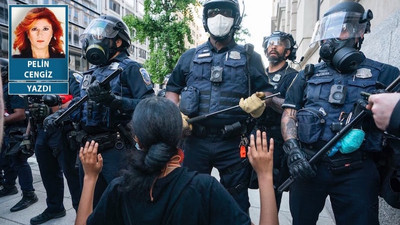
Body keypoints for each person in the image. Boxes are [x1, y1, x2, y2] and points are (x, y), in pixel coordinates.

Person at [280, 2, 400, 225]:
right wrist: (293, 150)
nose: (330, 38)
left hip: (357, 171)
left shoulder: (387, 74)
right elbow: (289, 113)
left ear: (360, 31)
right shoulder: (307, 74)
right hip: (309, 166)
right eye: (327, 30)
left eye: (341, 28)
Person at [74, 97, 278, 225]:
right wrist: (265, 175)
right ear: (180, 136)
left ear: (136, 138)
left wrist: (90, 178)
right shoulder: (204, 188)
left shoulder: (120, 188)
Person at [166, 0, 275, 213]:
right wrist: (175, 112)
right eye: (213, 12)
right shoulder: (189, 57)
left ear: (236, 20)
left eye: (225, 12)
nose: (219, 17)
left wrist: (261, 100)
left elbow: (269, 92)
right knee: (189, 196)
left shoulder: (250, 57)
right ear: (205, 20)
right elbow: (172, 88)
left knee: (235, 200)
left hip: (233, 142)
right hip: (195, 140)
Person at [45, 14, 154, 208]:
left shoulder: (130, 68)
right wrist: (58, 115)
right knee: (91, 203)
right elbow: (80, 104)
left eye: (101, 35)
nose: (94, 40)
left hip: (117, 147)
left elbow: (149, 105)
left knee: (123, 202)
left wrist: (115, 102)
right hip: (89, 148)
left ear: (118, 41)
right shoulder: (91, 73)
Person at [29, 71, 82, 225]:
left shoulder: (70, 76)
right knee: (48, 173)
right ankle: (55, 208)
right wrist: (27, 134)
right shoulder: (38, 79)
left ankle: (82, 213)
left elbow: (80, 100)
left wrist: (56, 109)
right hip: (41, 130)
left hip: (63, 130)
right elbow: (33, 108)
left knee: (73, 175)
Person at [257, 31, 298, 209]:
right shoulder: (258, 73)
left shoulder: (294, 76)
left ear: (287, 51)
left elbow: (295, 107)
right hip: (254, 134)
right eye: (270, 43)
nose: (273, 46)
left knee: (272, 189)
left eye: (279, 43)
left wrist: (270, 99)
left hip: (277, 141)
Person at [0, 58, 38, 212]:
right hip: (10, 131)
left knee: (19, 162)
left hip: (18, 131)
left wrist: (1, 121)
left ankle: (29, 194)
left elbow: (20, 114)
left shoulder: (12, 87)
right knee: (6, 160)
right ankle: (9, 186)